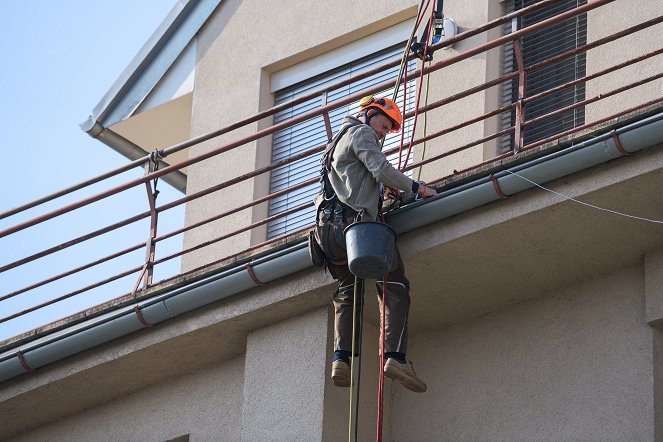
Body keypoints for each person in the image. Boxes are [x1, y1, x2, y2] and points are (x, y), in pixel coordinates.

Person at [312, 95, 437, 393]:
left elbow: (358, 181)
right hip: (355, 229)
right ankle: (395, 357)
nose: (382, 133)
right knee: (395, 284)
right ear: (368, 115)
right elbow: (379, 168)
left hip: (326, 234)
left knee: (347, 292)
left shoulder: (334, 144)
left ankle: (340, 359)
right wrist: (416, 187)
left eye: (386, 131)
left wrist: (385, 191)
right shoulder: (362, 132)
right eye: (383, 125)